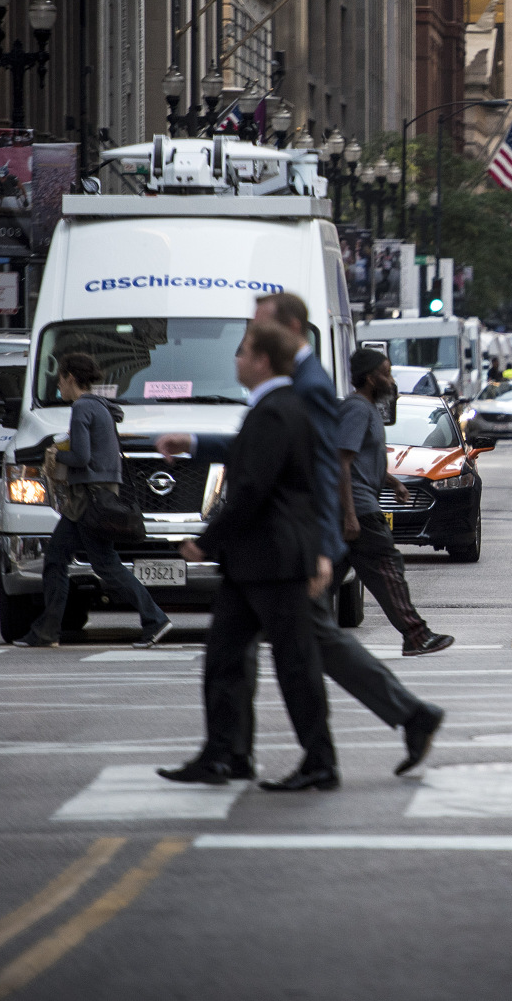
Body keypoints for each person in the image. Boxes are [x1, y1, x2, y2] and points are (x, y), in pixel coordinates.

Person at [156, 292, 444, 784]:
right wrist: (197, 442)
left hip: (291, 545)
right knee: (259, 650)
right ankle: (229, 752)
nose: (247, 337)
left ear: (286, 330)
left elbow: (318, 465)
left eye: (256, 330)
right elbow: (265, 446)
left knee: (307, 652)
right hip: (269, 550)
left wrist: (325, 548)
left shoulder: (306, 387)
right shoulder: (290, 384)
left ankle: (376, 730)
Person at [157, 320, 338, 791]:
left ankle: (320, 760)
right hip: (254, 561)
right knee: (224, 658)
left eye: (241, 353)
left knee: (295, 663)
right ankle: (226, 754)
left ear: (261, 361)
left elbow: (252, 487)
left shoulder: (278, 410)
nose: (235, 360)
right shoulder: (273, 408)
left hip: (274, 560)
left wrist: (207, 540)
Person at [14, 352, 172, 649]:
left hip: (88, 500)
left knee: (103, 564)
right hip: (93, 499)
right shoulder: (101, 407)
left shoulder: (83, 408)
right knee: (59, 559)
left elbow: (81, 457)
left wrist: (55, 454)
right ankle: (48, 630)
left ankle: (155, 619)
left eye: (60, 379)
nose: (58, 386)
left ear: (71, 378)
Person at [339, 348, 455, 656]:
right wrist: (349, 516)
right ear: (369, 378)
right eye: (386, 374)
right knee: (388, 569)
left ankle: (287, 630)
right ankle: (416, 635)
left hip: (356, 508)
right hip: (360, 511)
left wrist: (393, 482)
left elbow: (364, 461)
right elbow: (341, 462)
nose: (391, 381)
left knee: (320, 578)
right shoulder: (357, 410)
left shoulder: (369, 411)